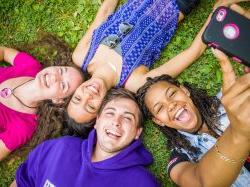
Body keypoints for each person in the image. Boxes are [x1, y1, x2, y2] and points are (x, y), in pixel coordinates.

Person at [68, 0, 205, 124]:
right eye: (91, 106)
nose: (87, 95)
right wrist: (219, 11)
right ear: (102, 110)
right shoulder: (134, 82)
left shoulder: (81, 56)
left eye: (77, 98)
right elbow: (192, 53)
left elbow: (104, 12)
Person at [137, 47, 250, 186]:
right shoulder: (179, 161)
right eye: (160, 108)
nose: (171, 105)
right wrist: (238, 132)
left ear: (185, 91)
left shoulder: (229, 99)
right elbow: (201, 183)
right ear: (158, 121)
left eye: (172, 94)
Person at [11, 88, 159, 187]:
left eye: (127, 118)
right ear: (97, 121)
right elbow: (21, 182)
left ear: (137, 132)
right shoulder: (58, 148)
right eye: (110, 113)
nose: (116, 122)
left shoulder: (142, 182)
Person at [0, 46, 83, 160]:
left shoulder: (23, 126)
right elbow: (4, 52)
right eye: (61, 71)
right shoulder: (31, 65)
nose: (54, 77)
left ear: (58, 100)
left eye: (63, 85)